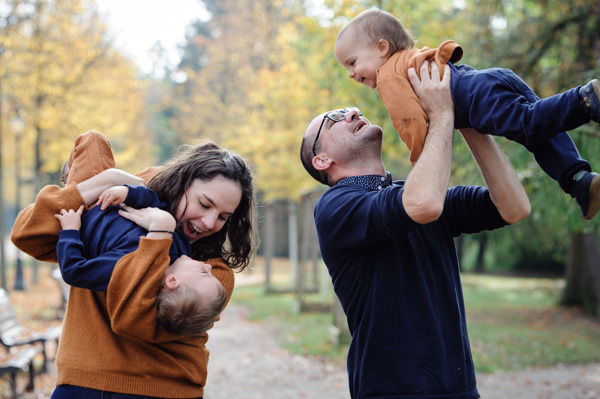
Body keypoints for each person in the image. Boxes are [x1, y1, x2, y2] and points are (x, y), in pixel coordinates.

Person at [299, 61, 530, 398]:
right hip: (391, 391)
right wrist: (441, 115)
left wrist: (467, 122)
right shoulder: (335, 206)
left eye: (351, 108)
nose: (352, 111)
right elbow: (422, 206)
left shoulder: (415, 193)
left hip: (460, 389)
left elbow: (514, 207)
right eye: (335, 118)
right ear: (322, 160)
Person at [11, 130, 255, 398]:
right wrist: (105, 181)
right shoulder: (121, 212)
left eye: (223, 216)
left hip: (167, 390)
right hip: (84, 385)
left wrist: (160, 234)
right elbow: (27, 234)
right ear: (180, 185)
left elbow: (132, 319)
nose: (210, 222)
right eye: (204, 203)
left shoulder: (214, 274)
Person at [334, 8, 600, 220]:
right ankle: (578, 180)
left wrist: (423, 160)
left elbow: (409, 121)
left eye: (353, 62)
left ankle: (586, 100)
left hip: (475, 96)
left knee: (530, 124)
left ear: (382, 48)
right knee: (538, 131)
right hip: (485, 80)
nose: (351, 74)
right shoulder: (409, 59)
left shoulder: (389, 76)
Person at [54, 181, 226, 336]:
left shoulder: (129, 272)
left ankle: (72, 174)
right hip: (115, 194)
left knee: (90, 151)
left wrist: (70, 231)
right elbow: (158, 204)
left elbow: (74, 272)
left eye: (204, 273)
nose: (209, 267)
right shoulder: (180, 246)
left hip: (84, 212)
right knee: (95, 146)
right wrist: (129, 193)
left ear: (173, 281)